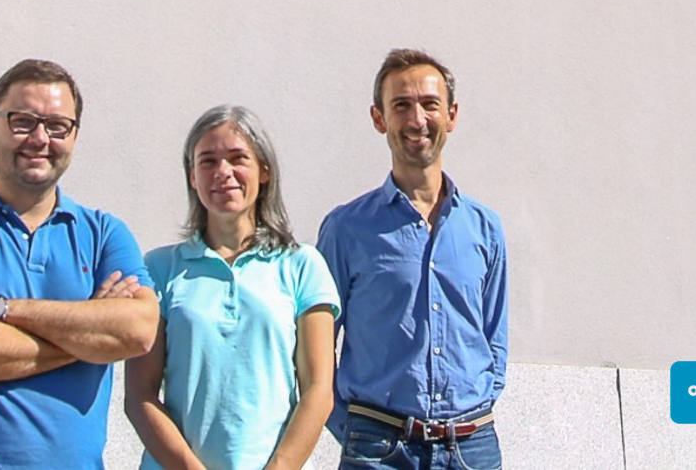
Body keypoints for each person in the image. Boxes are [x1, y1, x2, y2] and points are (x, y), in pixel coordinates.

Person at [0, 59, 159, 469]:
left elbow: (139, 331)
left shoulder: (104, 234)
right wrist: (89, 337)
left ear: (74, 137)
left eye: (57, 126)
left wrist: (6, 310)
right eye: (22, 122)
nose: (40, 138)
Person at [317, 49, 508, 469]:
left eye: (430, 104)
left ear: (451, 116)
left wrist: (475, 410)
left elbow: (494, 339)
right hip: (379, 450)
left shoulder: (485, 229)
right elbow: (314, 348)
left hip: (471, 449)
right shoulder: (347, 230)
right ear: (379, 118)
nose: (417, 119)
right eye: (401, 105)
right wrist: (354, 431)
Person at [127, 105, 339, 470]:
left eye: (238, 158)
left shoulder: (303, 265)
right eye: (208, 161)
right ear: (192, 177)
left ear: (264, 171)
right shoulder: (159, 269)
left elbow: (319, 390)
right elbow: (139, 396)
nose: (223, 172)